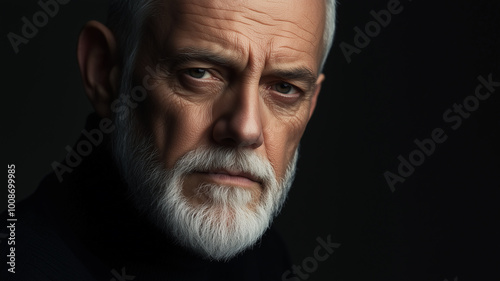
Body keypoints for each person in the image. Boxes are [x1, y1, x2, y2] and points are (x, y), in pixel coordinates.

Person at [1, 0, 336, 280]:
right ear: (104, 73)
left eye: (284, 88)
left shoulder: (267, 262)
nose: (247, 130)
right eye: (200, 72)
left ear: (311, 104)